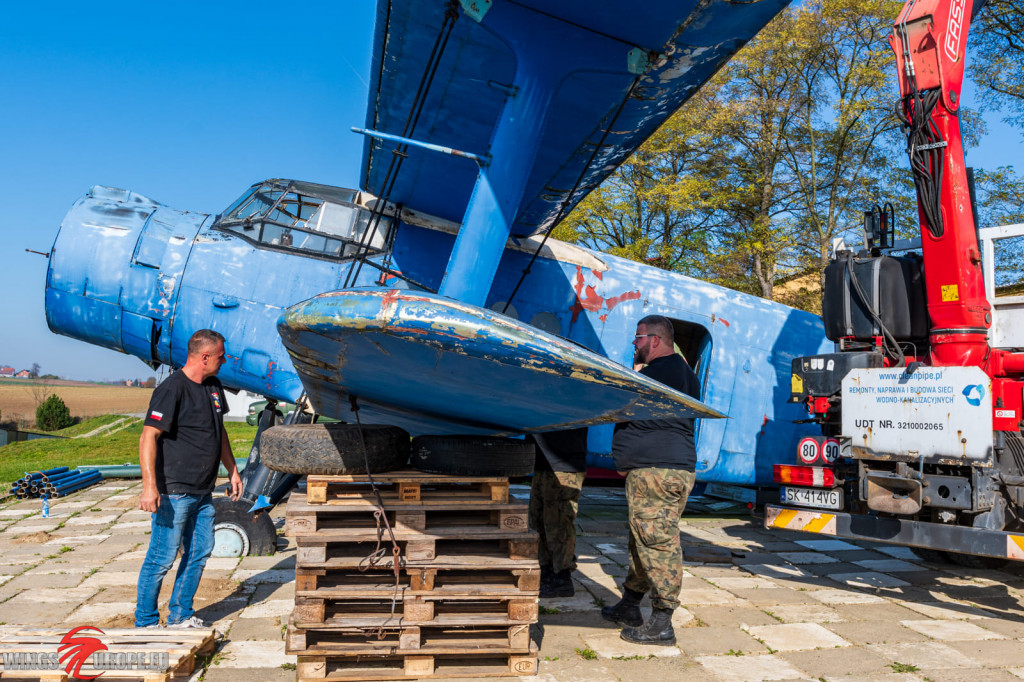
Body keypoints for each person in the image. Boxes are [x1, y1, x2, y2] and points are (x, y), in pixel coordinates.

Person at [600, 315, 700, 646]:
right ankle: (630, 605)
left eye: (639, 338)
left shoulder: (661, 373)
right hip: (663, 469)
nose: (634, 343)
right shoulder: (682, 373)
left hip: (658, 471)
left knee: (657, 543)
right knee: (642, 540)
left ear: (655, 340)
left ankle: (662, 622)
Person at [134, 329, 242, 629]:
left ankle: (181, 616)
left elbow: (219, 432)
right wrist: (149, 488)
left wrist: (232, 470)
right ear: (204, 357)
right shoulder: (172, 389)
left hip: (203, 490)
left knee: (199, 552)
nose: (224, 361)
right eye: (220, 356)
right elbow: (148, 437)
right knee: (162, 558)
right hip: (174, 491)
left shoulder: (214, 386)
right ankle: (145, 623)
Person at [528, 428, 588, 598]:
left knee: (559, 523)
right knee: (537, 520)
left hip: (564, 461)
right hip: (543, 461)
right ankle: (546, 572)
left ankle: (562, 577)